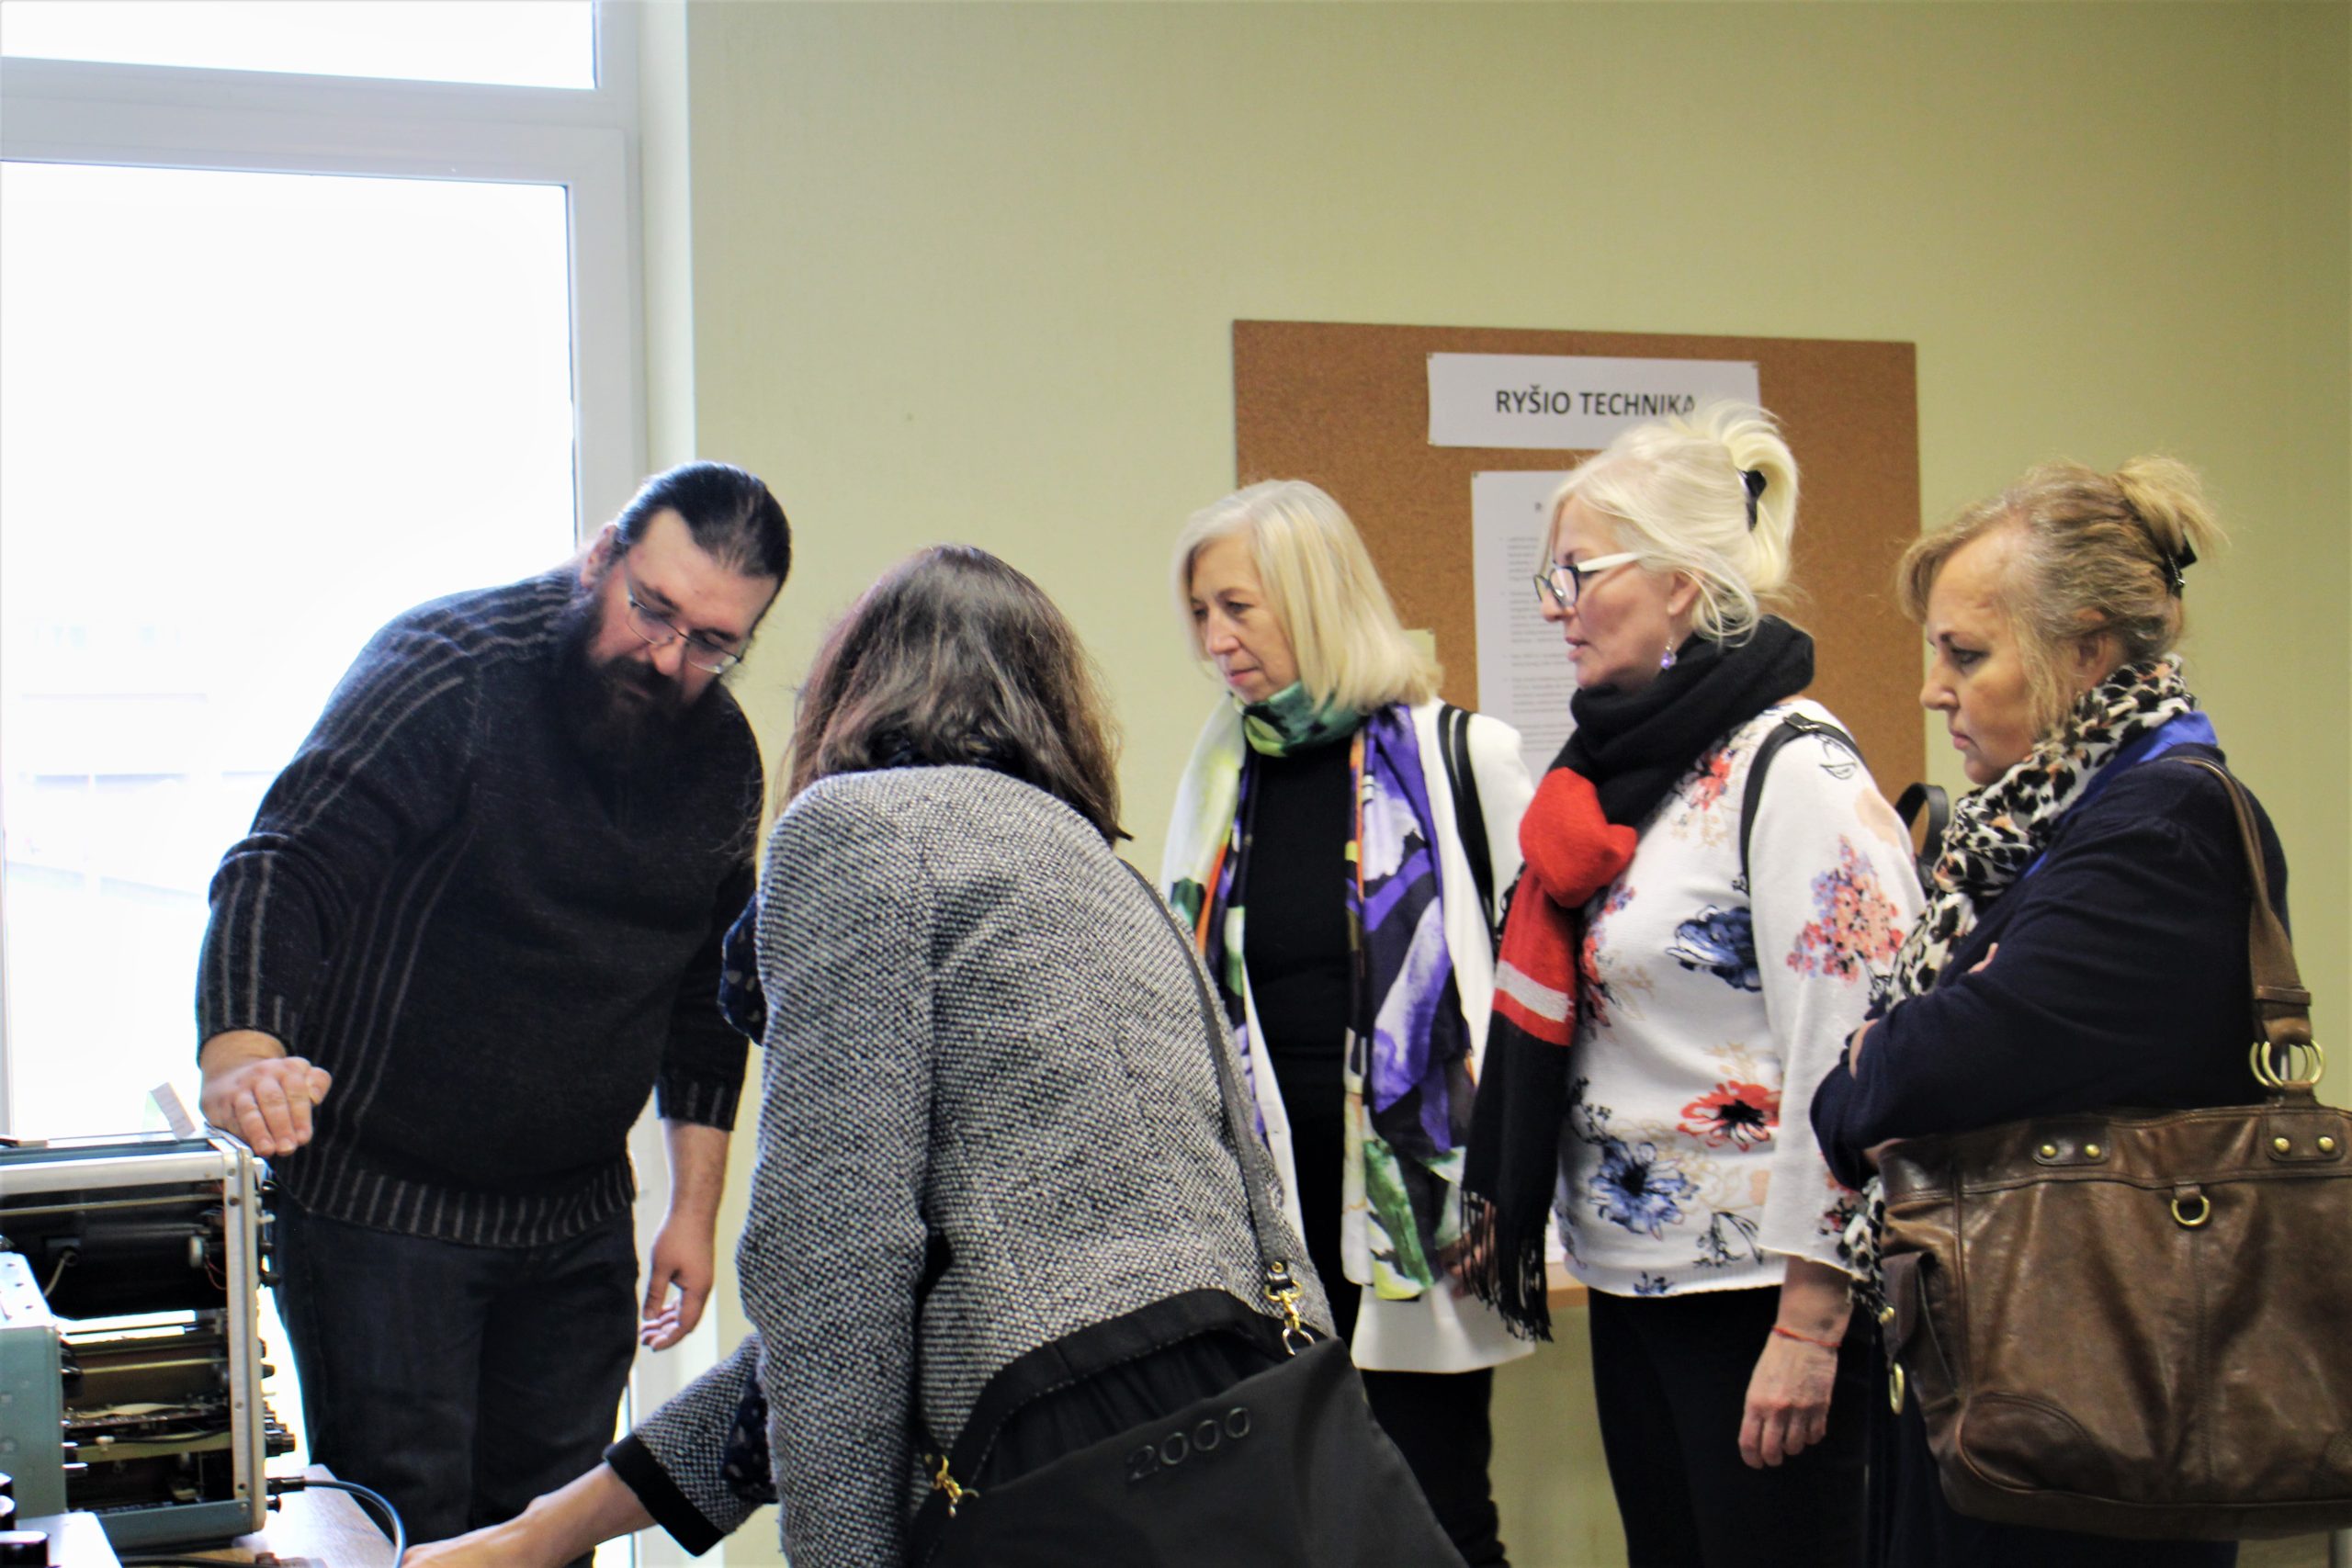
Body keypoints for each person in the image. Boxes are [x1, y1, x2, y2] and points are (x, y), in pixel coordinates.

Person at [408, 546, 1370, 1568]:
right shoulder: (1115, 883)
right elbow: (1256, 1217)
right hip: (1239, 1444)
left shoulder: (856, 833)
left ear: (854, 687)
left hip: (1055, 1466)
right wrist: (539, 1535)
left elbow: (833, 1269)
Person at [194, 461, 790, 1548]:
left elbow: (709, 992)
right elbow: (286, 864)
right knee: (405, 1534)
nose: (668, 657)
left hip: (574, 1225)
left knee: (547, 1539)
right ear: (602, 555)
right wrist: (241, 1049)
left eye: (712, 643)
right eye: (651, 610)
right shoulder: (448, 671)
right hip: (382, 1215)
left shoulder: (718, 760)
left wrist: (692, 1210)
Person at [1460, 403, 1921, 1568]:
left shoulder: (1795, 770)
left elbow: (1856, 1058)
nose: (1553, 606)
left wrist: (1811, 1324)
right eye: (1549, 577)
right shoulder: (1622, 771)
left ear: (1676, 582)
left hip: (1764, 1296)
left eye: (1577, 573)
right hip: (1635, 1278)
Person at [1809, 457, 2277, 1568]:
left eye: (1965, 654)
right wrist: (1918, 1038)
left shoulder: (2160, 826)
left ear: (2085, 652)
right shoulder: (2041, 826)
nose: (1932, 690)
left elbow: (1918, 1073)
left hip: (2093, 1417)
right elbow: (1952, 1045)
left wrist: (1876, 1063)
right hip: (2025, 1378)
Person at [1162, 479, 1536, 1564]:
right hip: (1264, 1217)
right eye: (1200, 614)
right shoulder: (1220, 776)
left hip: (1416, 1208)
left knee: (1436, 1511)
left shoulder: (1463, 758)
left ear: (1315, 599)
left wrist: (1513, 1186)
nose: (1215, 642)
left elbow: (1538, 995)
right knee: (1295, 1521)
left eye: (1237, 608)